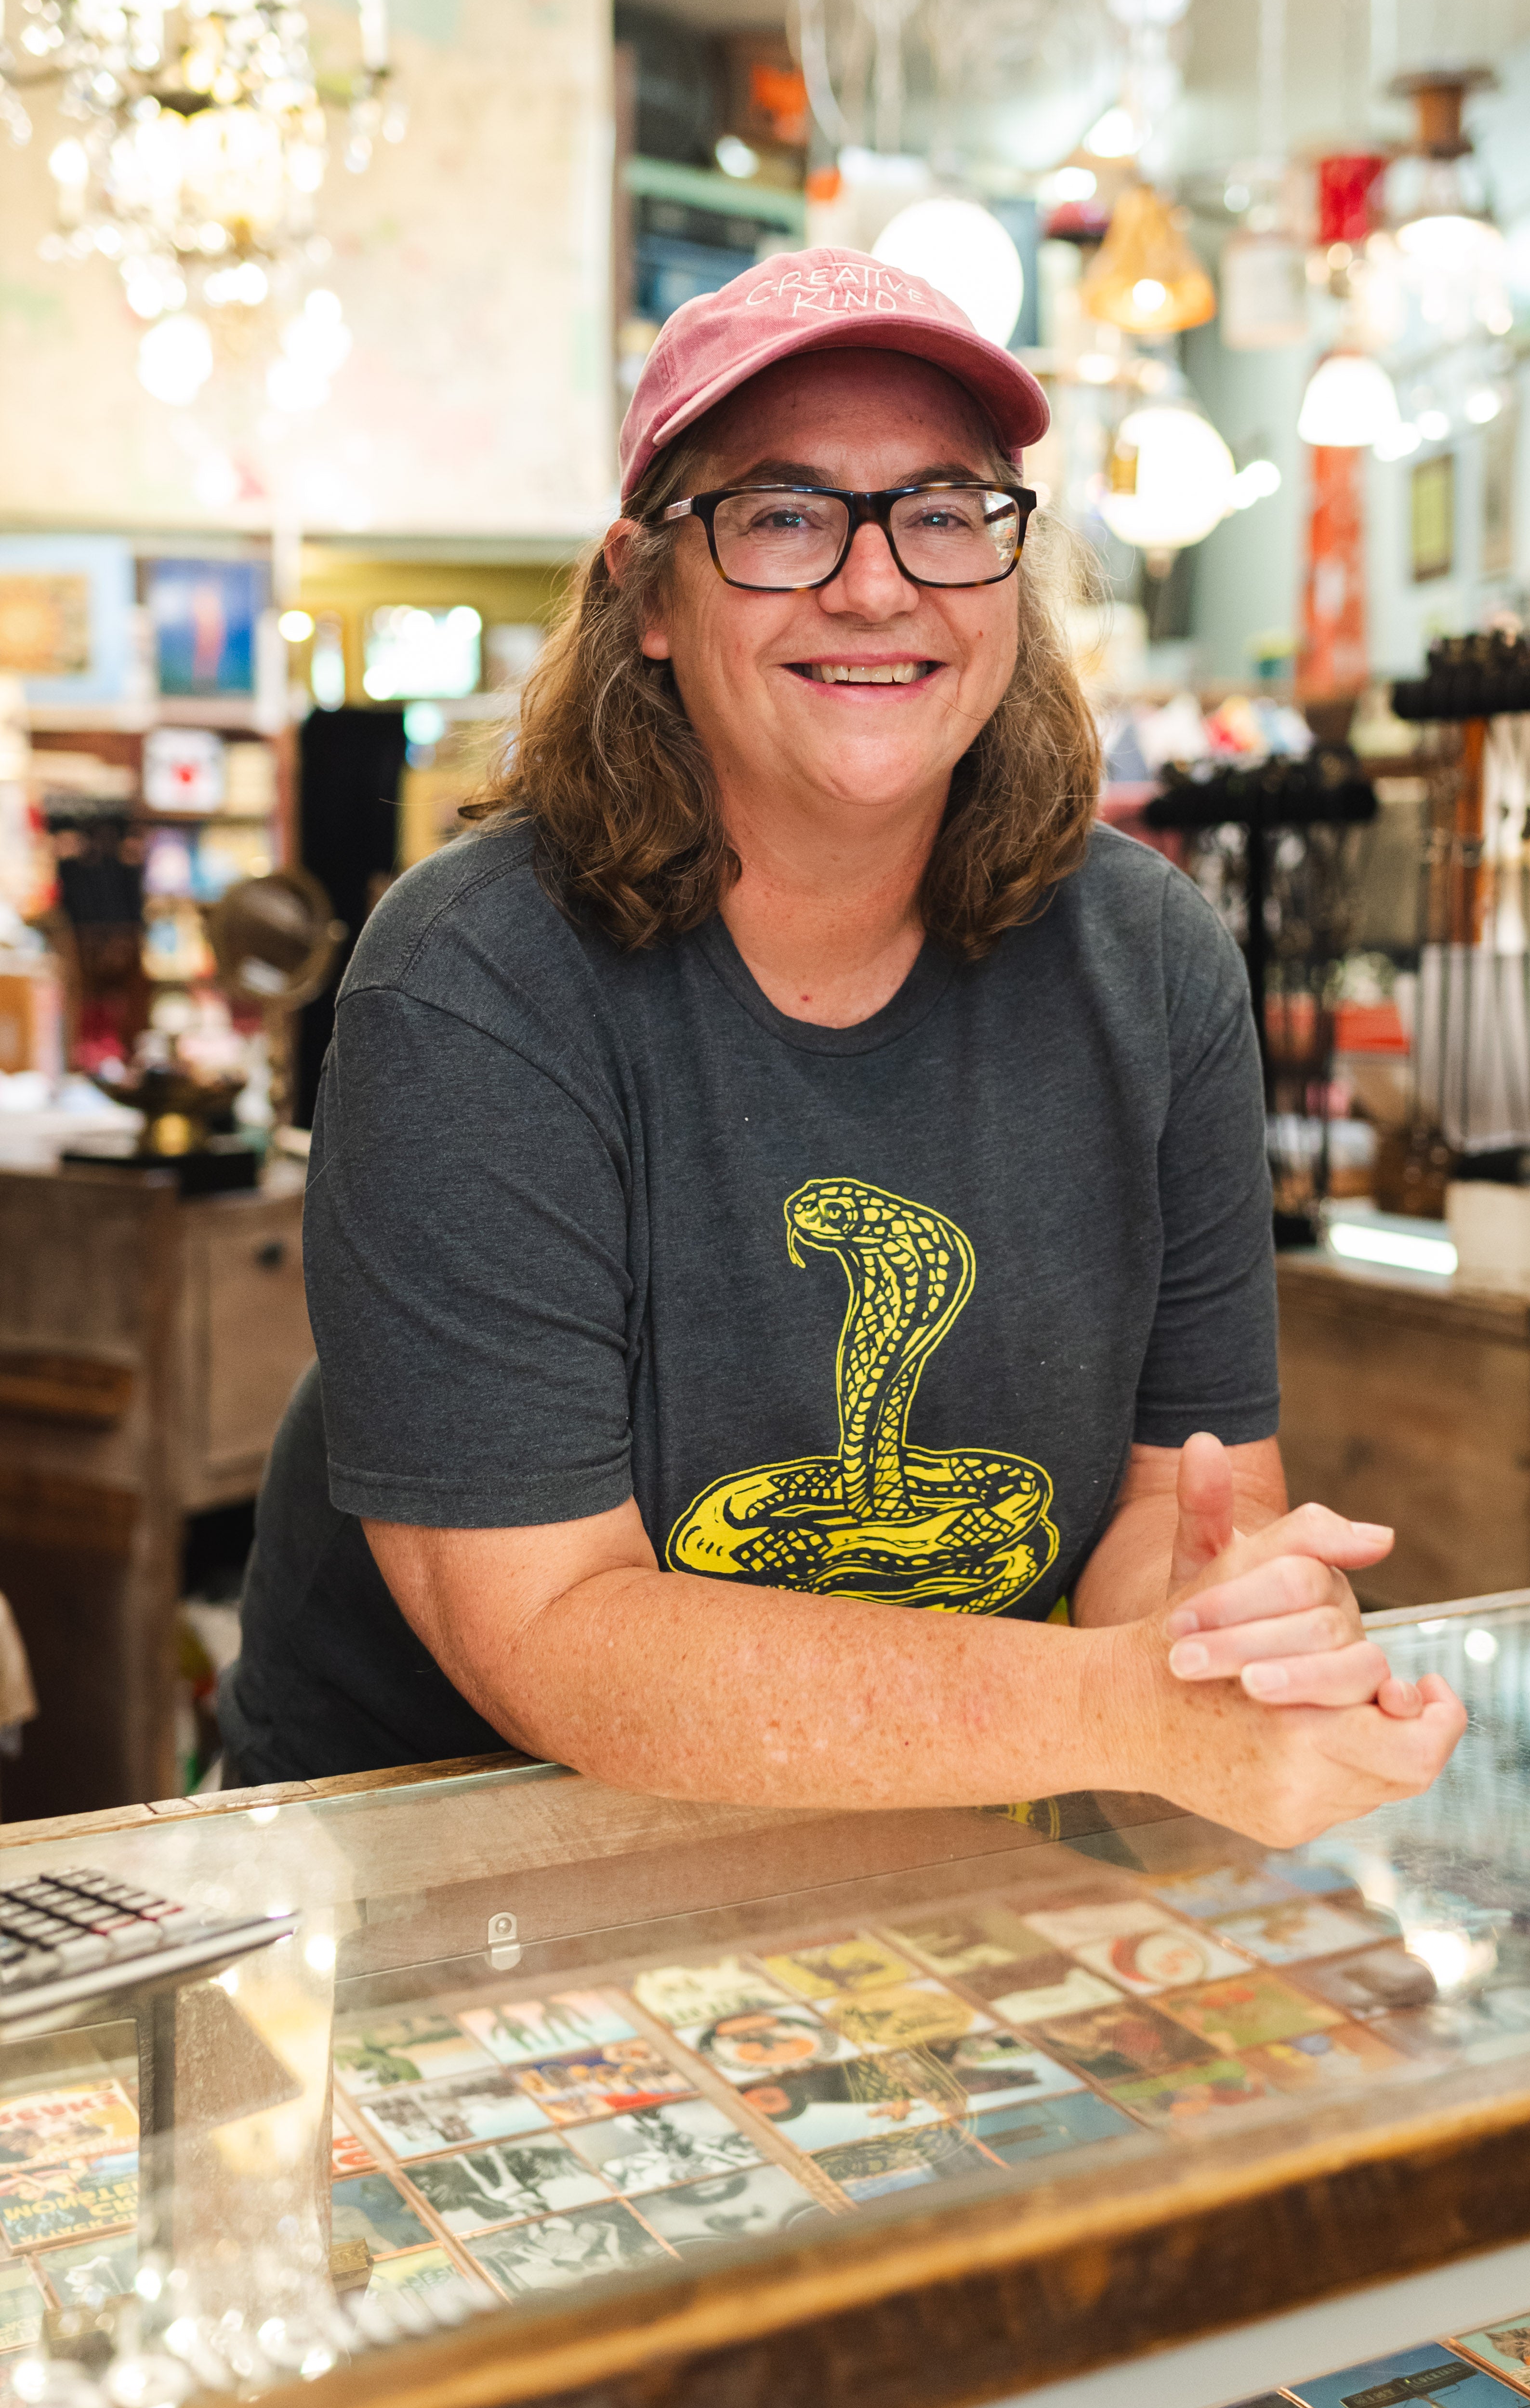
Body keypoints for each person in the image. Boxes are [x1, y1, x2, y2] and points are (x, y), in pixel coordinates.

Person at [220, 247, 1464, 1845]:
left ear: (1012, 576)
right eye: (786, 515)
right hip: (455, 1865)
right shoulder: (475, 984)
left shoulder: (1152, 965)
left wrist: (1222, 1635)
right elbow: (550, 1632)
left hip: (907, 1838)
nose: (878, 585)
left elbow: (1179, 1498)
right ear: (647, 593)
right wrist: (1126, 1708)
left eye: (946, 513)